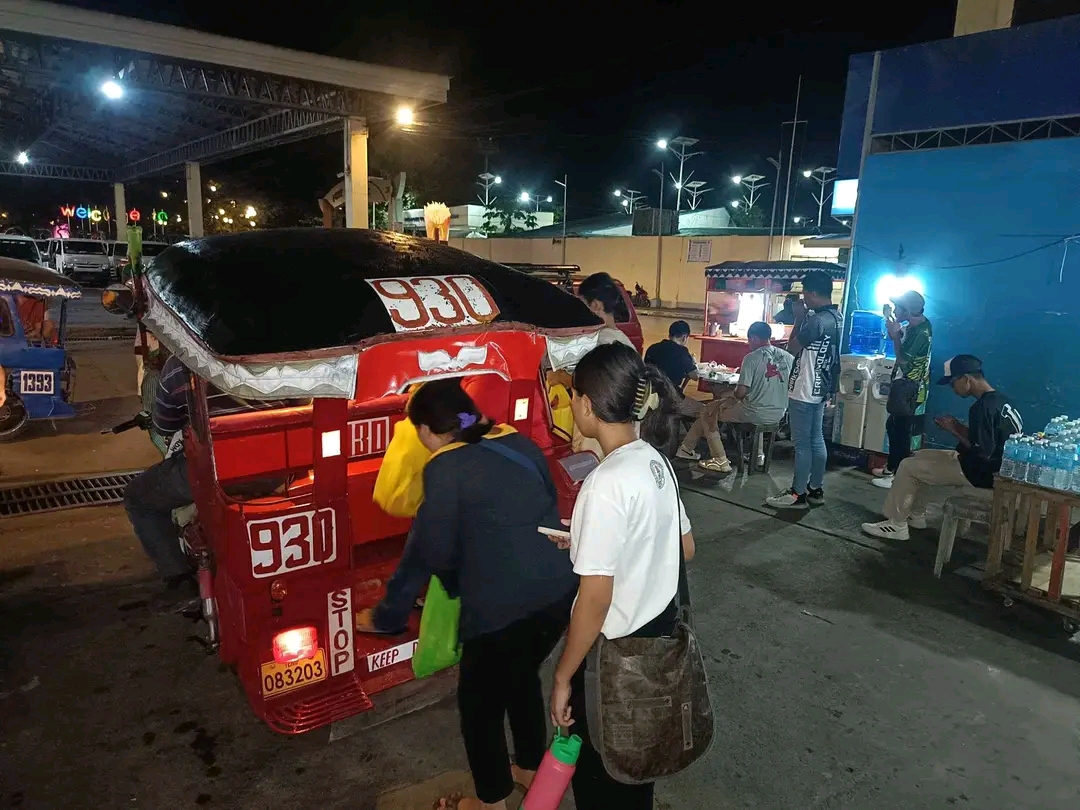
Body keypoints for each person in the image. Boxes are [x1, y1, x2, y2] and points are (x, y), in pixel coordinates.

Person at [356, 379, 578, 810]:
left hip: (502, 608)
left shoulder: (444, 467)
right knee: (520, 675)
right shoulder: (518, 440)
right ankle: (530, 768)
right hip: (558, 595)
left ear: (423, 432)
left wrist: (393, 614)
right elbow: (544, 506)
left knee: (479, 705)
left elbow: (430, 551)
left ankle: (490, 800)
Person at [548, 342, 695, 810]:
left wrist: (562, 676)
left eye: (573, 398)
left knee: (603, 780)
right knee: (637, 773)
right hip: (657, 646)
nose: (571, 407)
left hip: (616, 662)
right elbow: (684, 547)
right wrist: (589, 542)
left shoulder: (605, 481)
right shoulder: (655, 461)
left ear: (588, 407)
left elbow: (594, 602)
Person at [861, 355, 1022, 541]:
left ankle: (896, 524)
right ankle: (916, 514)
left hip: (981, 473)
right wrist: (958, 426)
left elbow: (982, 452)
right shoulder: (1001, 401)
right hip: (997, 469)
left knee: (907, 466)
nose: (953, 389)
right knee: (919, 455)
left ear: (966, 379)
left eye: (953, 383)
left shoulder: (981, 408)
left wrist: (953, 430)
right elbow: (990, 441)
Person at [123, 353, 199, 612]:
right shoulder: (281, 346)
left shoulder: (181, 365)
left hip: (211, 470)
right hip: (284, 467)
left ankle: (179, 580)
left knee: (137, 498)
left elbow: (165, 426)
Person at [766, 271, 842, 509]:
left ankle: (797, 493)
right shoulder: (836, 316)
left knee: (802, 443)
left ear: (813, 292)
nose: (803, 299)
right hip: (820, 387)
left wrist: (798, 318)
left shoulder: (816, 321)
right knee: (816, 439)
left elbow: (792, 347)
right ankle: (815, 488)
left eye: (805, 294)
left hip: (804, 388)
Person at [678, 321, 793, 474]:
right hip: (779, 413)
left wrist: (726, 395)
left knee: (708, 412)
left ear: (753, 338)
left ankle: (720, 459)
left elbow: (741, 393)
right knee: (716, 405)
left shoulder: (751, 358)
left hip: (753, 412)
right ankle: (687, 449)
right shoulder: (788, 358)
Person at [872, 291, 933, 489]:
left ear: (907, 311)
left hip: (908, 385)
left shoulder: (919, 333)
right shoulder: (918, 325)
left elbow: (905, 361)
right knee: (894, 425)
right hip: (905, 383)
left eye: (898, 308)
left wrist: (894, 336)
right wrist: (890, 319)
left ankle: (899, 475)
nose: (896, 310)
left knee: (901, 430)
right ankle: (891, 467)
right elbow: (898, 331)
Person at [577, 272, 633, 348]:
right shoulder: (621, 339)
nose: (579, 310)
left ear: (596, 305)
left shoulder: (601, 341)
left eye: (581, 304)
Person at [644, 320, 698, 390]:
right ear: (684, 337)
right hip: (669, 395)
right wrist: (693, 362)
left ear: (669, 335)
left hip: (649, 392)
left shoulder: (652, 348)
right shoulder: (682, 352)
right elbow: (695, 377)